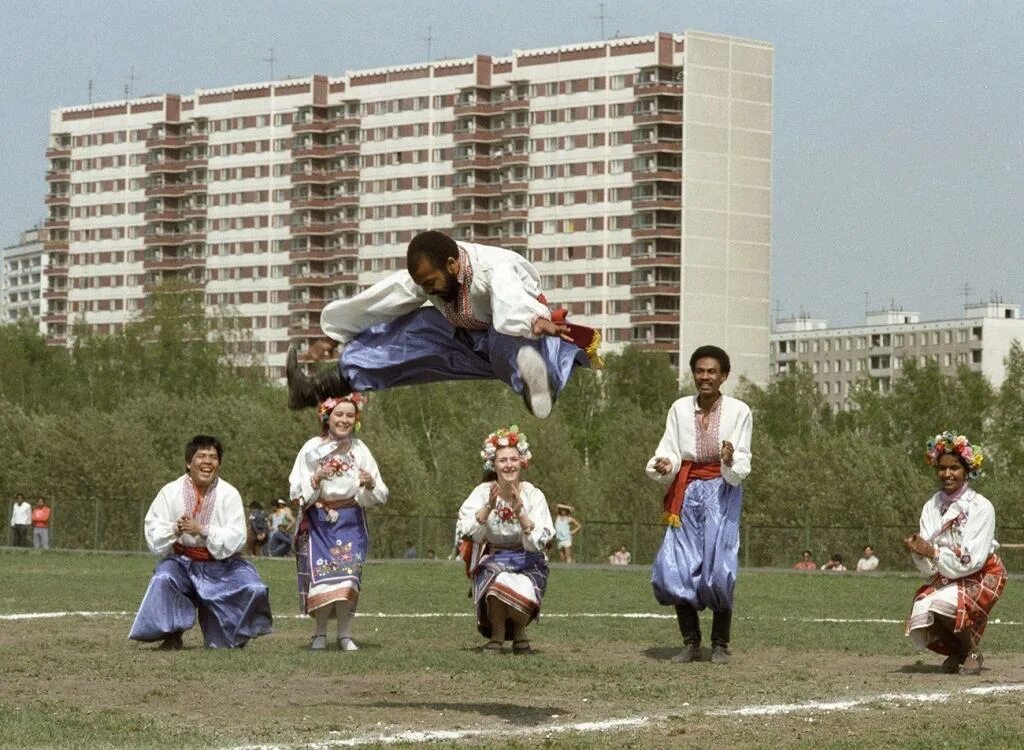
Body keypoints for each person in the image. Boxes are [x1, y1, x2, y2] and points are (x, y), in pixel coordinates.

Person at [286, 230, 602, 419]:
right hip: (467, 341)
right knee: (415, 328)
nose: (428, 290)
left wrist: (535, 321)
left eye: (430, 282)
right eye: (421, 285)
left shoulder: (495, 268)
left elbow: (511, 302)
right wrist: (332, 336)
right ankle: (314, 389)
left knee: (504, 335)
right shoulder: (429, 277)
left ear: (452, 265)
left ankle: (535, 386)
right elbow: (382, 300)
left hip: (520, 333)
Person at [645, 345, 752, 665]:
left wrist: (731, 460)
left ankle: (720, 643)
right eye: (700, 371)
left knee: (719, 570)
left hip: (722, 491)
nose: (705, 377)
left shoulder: (739, 411)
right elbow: (670, 450)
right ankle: (690, 641)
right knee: (676, 567)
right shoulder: (679, 409)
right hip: (687, 492)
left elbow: (742, 457)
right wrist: (664, 464)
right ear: (693, 373)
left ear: (724, 376)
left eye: (712, 372)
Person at [128, 435, 273, 649]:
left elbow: (237, 536)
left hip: (222, 565)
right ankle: (171, 634)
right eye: (201, 456)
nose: (207, 461)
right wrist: (174, 529)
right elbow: (153, 528)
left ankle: (231, 633)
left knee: (253, 587)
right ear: (189, 463)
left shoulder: (229, 494)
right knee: (164, 578)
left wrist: (203, 530)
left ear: (219, 464)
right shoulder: (170, 492)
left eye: (213, 457)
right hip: (182, 562)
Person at [289, 394, 388, 651]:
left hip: (351, 521)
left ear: (356, 420)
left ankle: (345, 634)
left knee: (348, 576)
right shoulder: (311, 448)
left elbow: (380, 493)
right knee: (322, 576)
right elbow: (296, 489)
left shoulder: (360, 449)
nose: (344, 420)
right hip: (320, 521)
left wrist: (370, 483)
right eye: (339, 414)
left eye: (350, 415)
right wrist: (316, 478)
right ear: (326, 416)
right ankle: (320, 634)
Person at [905, 431, 1007, 675]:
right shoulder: (932, 505)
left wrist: (934, 553)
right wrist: (919, 550)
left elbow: (974, 557)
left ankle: (972, 651)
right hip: (949, 572)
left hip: (982, 572)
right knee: (922, 607)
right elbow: (927, 546)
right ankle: (958, 651)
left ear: (967, 470)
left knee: (943, 604)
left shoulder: (980, 507)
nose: (947, 474)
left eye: (954, 468)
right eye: (942, 468)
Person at [457, 425, 554, 654]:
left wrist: (522, 514)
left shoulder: (533, 495)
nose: (508, 465)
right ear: (493, 464)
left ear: (522, 462)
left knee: (521, 592)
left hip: (529, 559)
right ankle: (497, 635)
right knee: (497, 582)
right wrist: (488, 507)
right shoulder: (482, 492)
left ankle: (520, 632)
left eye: (513, 459)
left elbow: (543, 539)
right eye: (502, 460)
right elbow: (466, 531)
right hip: (496, 557)